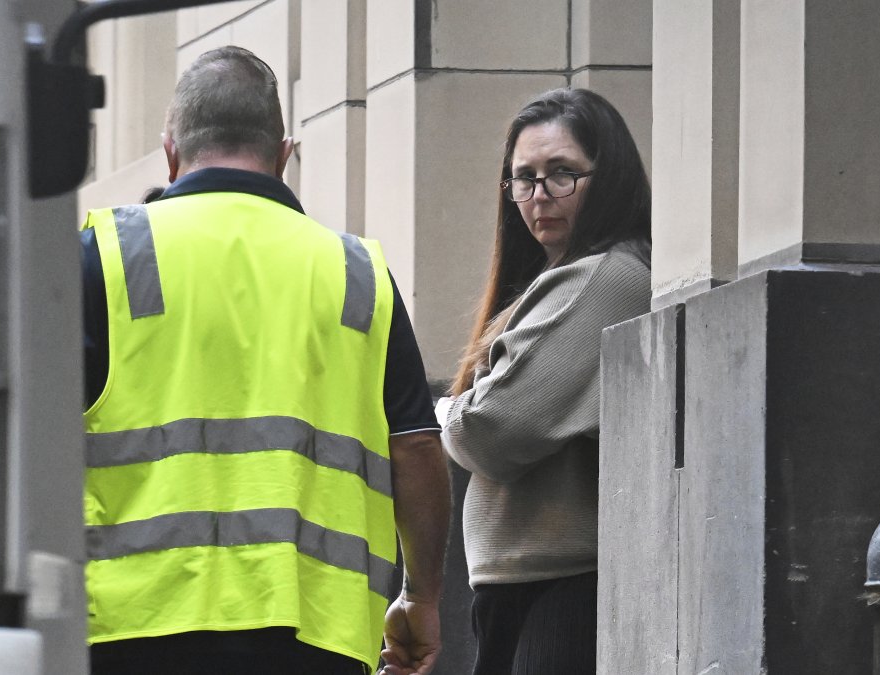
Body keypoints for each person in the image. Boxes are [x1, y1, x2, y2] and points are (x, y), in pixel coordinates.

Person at [80, 46, 450, 675]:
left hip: (133, 631)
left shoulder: (106, 257)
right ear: (284, 156)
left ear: (170, 152)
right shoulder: (357, 276)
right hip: (313, 635)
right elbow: (415, 450)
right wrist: (421, 597)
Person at [440, 88, 653, 675]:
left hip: (561, 589)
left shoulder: (605, 278)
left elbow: (490, 430)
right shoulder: (564, 277)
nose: (539, 196)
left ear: (607, 177)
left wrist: (446, 412)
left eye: (563, 174)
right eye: (523, 178)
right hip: (527, 586)